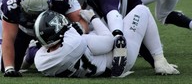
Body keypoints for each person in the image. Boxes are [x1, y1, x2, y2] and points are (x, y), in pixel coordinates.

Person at [34, 8, 180, 77]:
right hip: (119, 60)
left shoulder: (42, 62)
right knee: (143, 11)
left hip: (93, 67)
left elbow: (33, 55)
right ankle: (160, 60)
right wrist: (93, 18)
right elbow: (109, 41)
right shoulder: (76, 43)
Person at [1, 0, 85, 76]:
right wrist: (9, 68)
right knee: (8, 66)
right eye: (30, 14)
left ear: (50, 4)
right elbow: (8, 38)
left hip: (53, 29)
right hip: (23, 28)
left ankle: (32, 53)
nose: (35, 20)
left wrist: (79, 29)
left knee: (69, 56)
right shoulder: (11, 3)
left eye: (38, 15)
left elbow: (82, 22)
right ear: (21, 3)